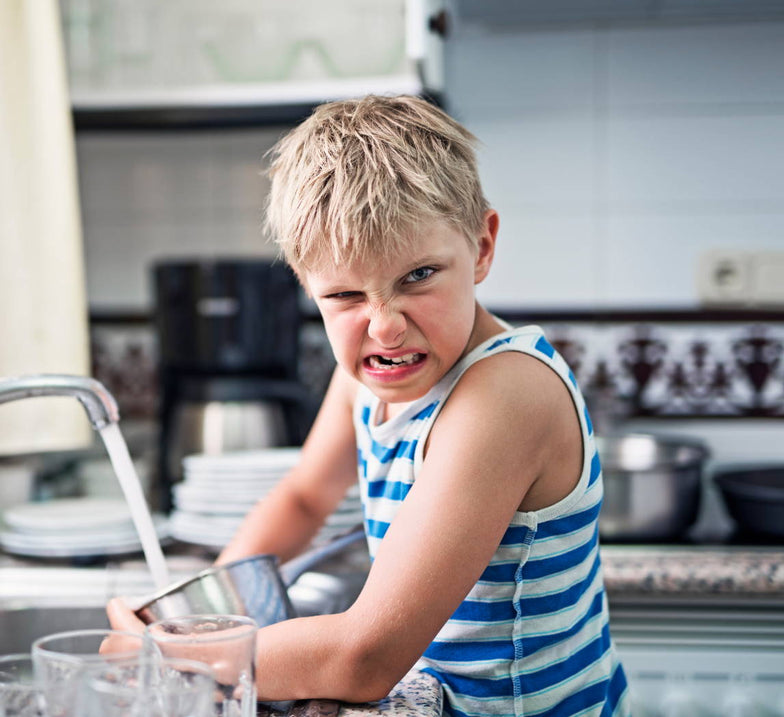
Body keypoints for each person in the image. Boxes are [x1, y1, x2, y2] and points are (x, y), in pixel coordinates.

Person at [108, 94, 630, 715]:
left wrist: (170, 650)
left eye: (418, 276)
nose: (385, 327)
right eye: (346, 295)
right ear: (306, 285)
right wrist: (201, 620)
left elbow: (366, 657)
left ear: (482, 246)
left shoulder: (505, 394)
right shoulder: (367, 377)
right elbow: (305, 498)